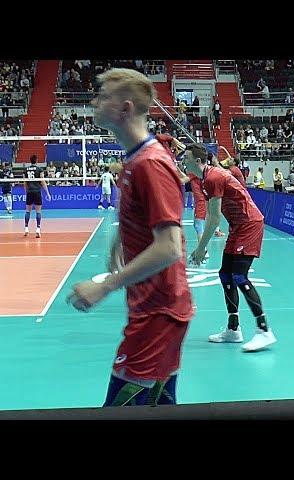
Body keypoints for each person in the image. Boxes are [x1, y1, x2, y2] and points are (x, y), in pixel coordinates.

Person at [67, 68, 193, 406]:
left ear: (124, 108)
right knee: (158, 405)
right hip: (152, 308)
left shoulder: (151, 163)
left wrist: (105, 285)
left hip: (159, 313)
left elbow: (170, 247)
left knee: (119, 408)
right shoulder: (133, 160)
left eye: (103, 96)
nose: (94, 102)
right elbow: (140, 215)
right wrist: (119, 243)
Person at [183, 143, 277, 352]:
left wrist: (200, 248)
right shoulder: (204, 179)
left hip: (249, 224)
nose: (183, 160)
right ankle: (233, 329)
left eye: (186, 157)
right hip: (237, 226)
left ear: (198, 161)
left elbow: (215, 218)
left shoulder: (214, 177)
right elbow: (211, 215)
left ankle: (264, 331)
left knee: (239, 277)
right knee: (225, 274)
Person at [23, 155, 51, 238]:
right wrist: (48, 193)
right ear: (37, 161)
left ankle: (26, 228)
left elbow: (25, 183)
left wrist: (26, 193)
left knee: (28, 211)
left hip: (30, 192)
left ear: (30, 161)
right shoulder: (40, 169)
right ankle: (38, 229)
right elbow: (42, 181)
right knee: (38, 211)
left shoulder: (26, 170)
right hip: (37, 192)